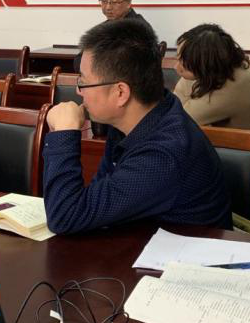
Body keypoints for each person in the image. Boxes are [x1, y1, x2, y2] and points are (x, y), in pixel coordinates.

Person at [42, 19, 231, 234]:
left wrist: (64, 134)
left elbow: (65, 217)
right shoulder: (136, 119)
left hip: (187, 252)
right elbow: (97, 202)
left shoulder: (163, 153)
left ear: (120, 92)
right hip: (141, 240)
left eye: (83, 83)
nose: (79, 91)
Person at [172, 24, 250, 129]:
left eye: (183, 63)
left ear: (205, 66)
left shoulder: (231, 87)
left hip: (244, 140)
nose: (175, 67)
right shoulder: (222, 64)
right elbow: (174, 105)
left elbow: (177, 121)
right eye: (178, 58)